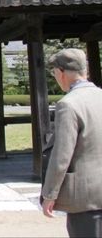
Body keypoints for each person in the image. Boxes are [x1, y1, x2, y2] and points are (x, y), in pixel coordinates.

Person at [41, 48, 102, 237]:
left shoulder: (68, 104)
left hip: (85, 195)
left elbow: (62, 155)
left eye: (54, 73)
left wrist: (50, 194)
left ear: (61, 73)